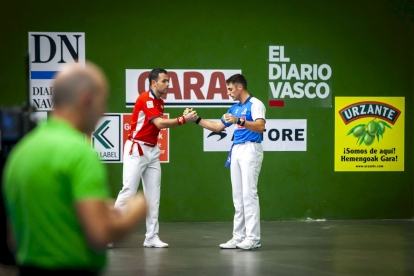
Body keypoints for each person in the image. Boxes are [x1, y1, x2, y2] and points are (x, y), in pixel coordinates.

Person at [2, 62, 147, 275]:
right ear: (86, 99)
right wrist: (137, 210)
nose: (104, 112)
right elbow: (101, 233)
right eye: (102, 102)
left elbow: (14, 238)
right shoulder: (80, 154)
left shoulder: (21, 152)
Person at [113, 68, 198, 248]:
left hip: (152, 152)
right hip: (136, 150)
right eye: (164, 81)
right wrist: (184, 119)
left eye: (168, 81)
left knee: (153, 196)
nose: (168, 84)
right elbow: (159, 123)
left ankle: (151, 237)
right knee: (128, 191)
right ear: (153, 83)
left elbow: (156, 127)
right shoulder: (145, 98)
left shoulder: (160, 102)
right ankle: (108, 233)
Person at [193, 74, 265, 250]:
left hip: (251, 149)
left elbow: (260, 126)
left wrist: (239, 120)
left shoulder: (256, 104)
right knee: (238, 196)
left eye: (230, 89)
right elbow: (217, 127)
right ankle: (238, 237)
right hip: (237, 150)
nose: (229, 93)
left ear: (240, 87)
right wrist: (196, 119)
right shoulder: (233, 108)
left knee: (249, 194)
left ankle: (253, 238)